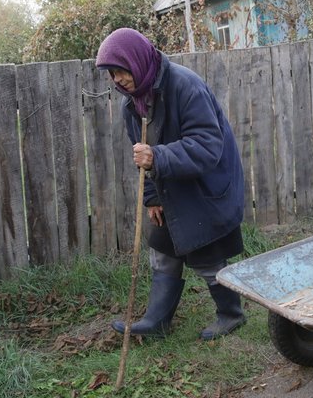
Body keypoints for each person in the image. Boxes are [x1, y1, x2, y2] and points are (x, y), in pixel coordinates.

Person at [95, 27, 247, 339]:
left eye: (120, 70)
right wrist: (152, 197)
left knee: (206, 252)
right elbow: (143, 158)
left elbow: (207, 145)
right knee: (162, 246)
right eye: (111, 74)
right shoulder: (134, 105)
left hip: (206, 182)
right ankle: (156, 322)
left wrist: (158, 158)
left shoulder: (185, 86)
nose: (117, 80)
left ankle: (231, 314)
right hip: (171, 184)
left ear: (136, 61)